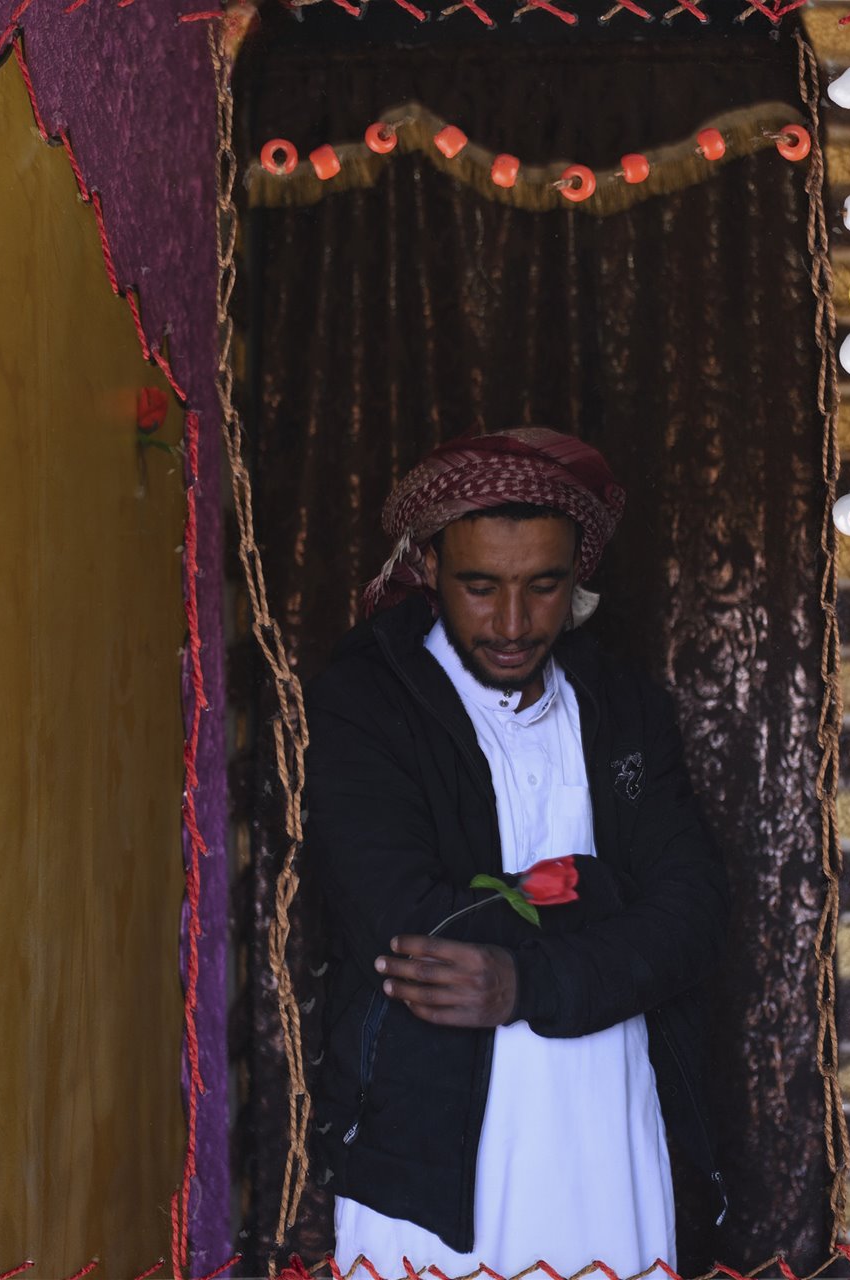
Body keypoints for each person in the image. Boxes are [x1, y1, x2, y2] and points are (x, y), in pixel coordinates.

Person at [304, 427, 729, 1276]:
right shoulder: (363, 703)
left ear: (578, 579)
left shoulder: (623, 705)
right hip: (430, 1152)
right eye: (479, 586)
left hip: (610, 1124)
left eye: (543, 587)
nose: (511, 622)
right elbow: (407, 928)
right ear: (427, 566)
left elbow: (694, 915)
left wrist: (525, 981)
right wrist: (608, 890)